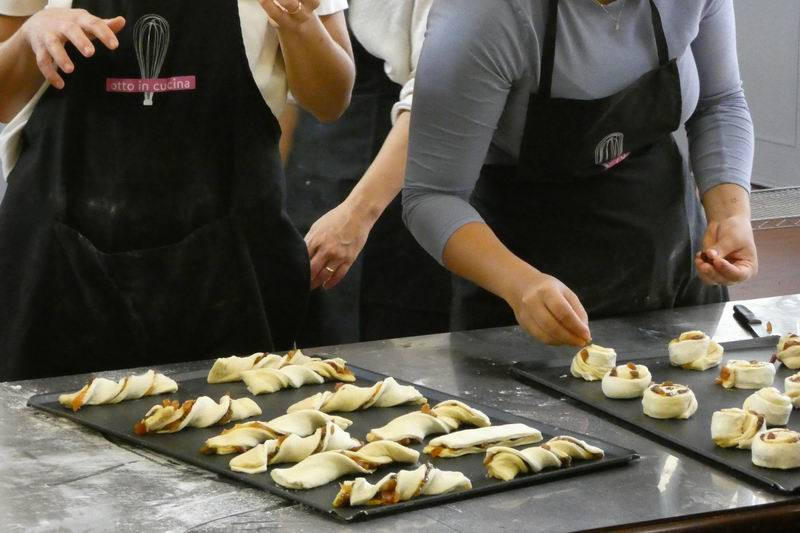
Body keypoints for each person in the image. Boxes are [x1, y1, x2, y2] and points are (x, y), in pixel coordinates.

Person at [0, 0, 354, 380]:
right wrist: (29, 35)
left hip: (233, 274)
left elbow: (330, 101)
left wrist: (299, 23)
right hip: (57, 271)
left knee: (230, 432)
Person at [403, 0, 757, 346]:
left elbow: (719, 101)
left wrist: (730, 216)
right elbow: (433, 196)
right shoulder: (487, 13)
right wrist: (519, 283)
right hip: (531, 282)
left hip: (672, 256)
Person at [285, 0, 451, 346]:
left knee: (396, 362)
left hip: (399, 192)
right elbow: (284, 95)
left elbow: (437, 95)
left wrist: (357, 214)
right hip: (309, 188)